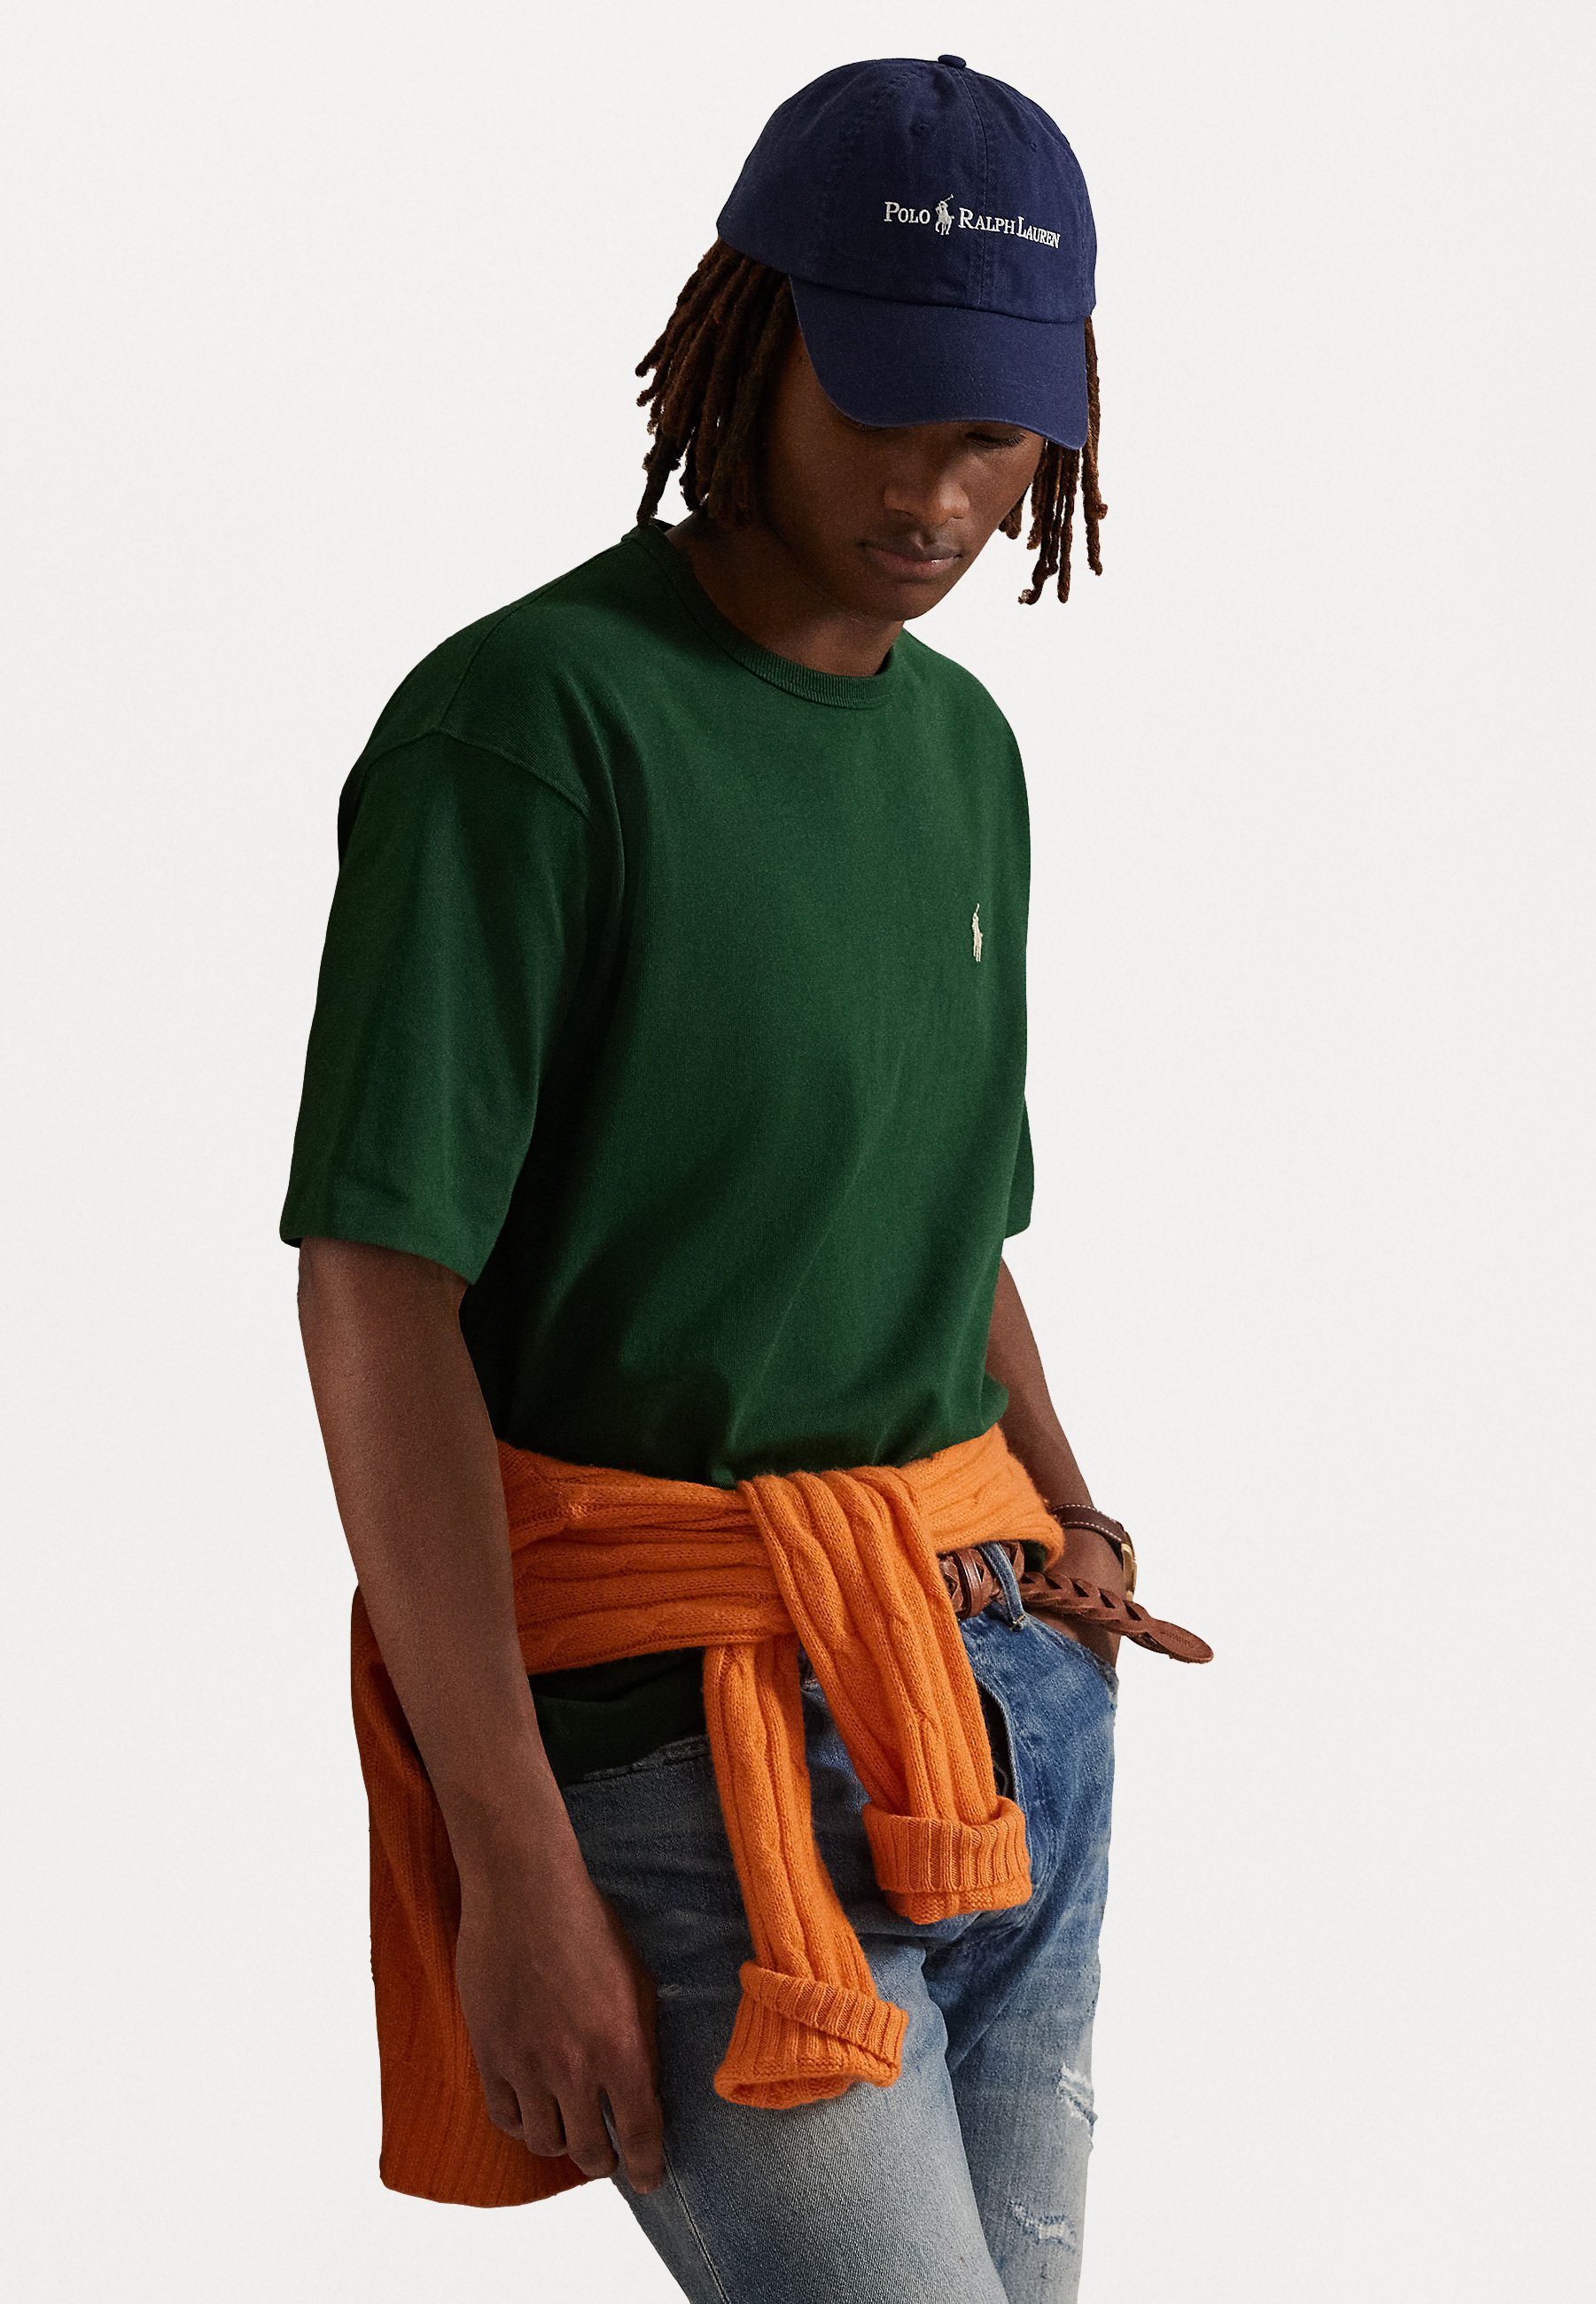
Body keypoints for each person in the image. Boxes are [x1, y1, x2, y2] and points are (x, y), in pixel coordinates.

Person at [282, 53, 1207, 2304]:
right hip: (681, 1754)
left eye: (995, 433)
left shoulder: (964, 754)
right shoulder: (531, 729)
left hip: (999, 1709)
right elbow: (376, 1290)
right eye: (884, 406)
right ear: (751, 337)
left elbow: (949, 1225)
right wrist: (513, 1858)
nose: (937, 492)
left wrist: (1073, 1518)